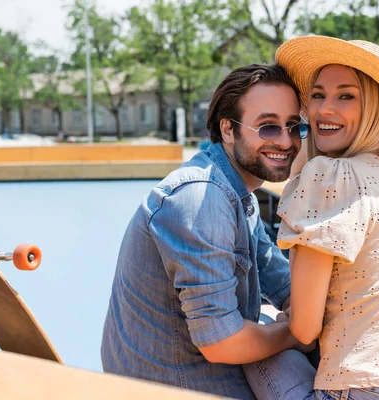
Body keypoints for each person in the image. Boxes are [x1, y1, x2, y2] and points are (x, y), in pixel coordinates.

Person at [243, 36, 379, 399]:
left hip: (361, 388)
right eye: (318, 95)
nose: (324, 110)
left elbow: (305, 330)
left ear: (375, 108)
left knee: (245, 336)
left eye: (346, 96)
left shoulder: (331, 177)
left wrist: (278, 324)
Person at [101, 64, 313, 399]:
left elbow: (284, 283)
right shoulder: (201, 198)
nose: (286, 141)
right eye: (268, 127)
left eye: (293, 126)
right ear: (228, 129)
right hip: (180, 387)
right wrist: (293, 332)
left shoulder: (240, 195)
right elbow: (222, 341)